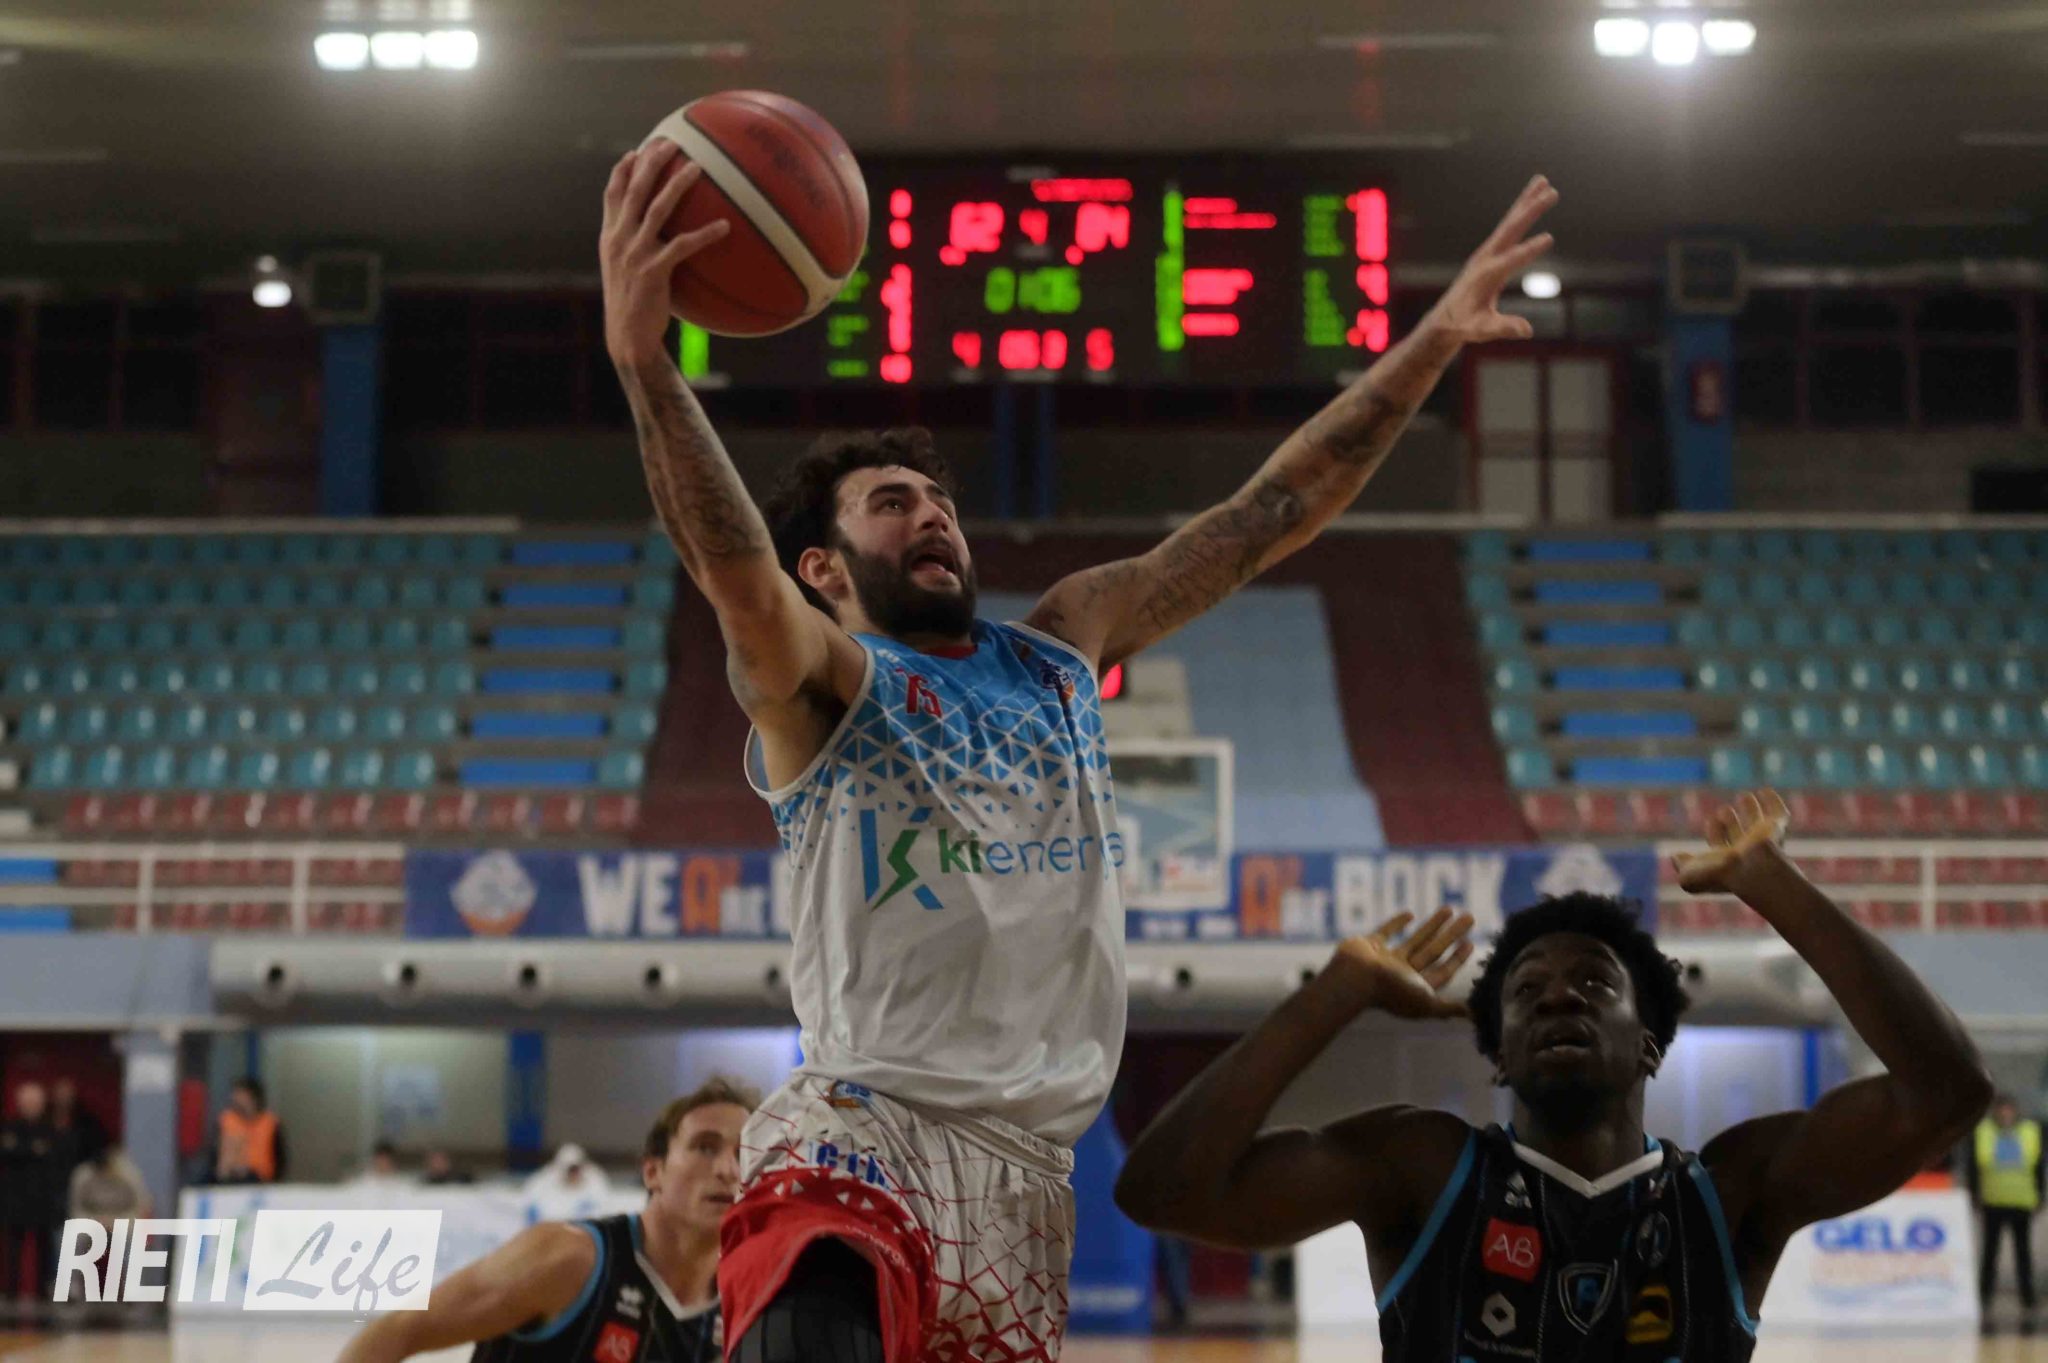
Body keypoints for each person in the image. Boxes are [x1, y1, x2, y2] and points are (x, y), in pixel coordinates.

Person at [601, 133, 1559, 1363]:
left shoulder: (1057, 647)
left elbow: (1264, 516)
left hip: (1023, 1180)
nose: (930, 515)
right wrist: (646, 365)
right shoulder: (822, 687)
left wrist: (1427, 342)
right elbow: (734, 573)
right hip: (860, 1133)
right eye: (890, 504)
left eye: (937, 500)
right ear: (823, 569)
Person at [1115, 790, 1993, 1362]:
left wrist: (1775, 884)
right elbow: (1163, 1191)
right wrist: (1334, 994)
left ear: (1650, 1044)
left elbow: (1946, 1092)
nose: (1559, 997)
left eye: (1595, 984)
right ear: (1498, 1052)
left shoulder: (1732, 1191)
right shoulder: (1421, 1165)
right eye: (1526, 991)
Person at [336, 1077, 756, 1363]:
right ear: (653, 1171)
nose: (727, 1169)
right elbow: (398, 1331)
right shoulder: (568, 1259)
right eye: (705, 1147)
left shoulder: (744, 1306)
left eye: (744, 1154)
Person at [1970, 1094, 2041, 1324]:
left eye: (2009, 1110)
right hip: (1993, 1201)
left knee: (2023, 1253)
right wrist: (1975, 1194)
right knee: (1990, 1252)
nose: (2006, 1114)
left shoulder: (2030, 1131)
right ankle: (1984, 1296)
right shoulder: (1984, 1131)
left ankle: (2028, 1298)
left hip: (2021, 1201)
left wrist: (2040, 1195)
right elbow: (1974, 1166)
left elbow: (2038, 1166)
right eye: (2002, 1110)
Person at [0, 1081, 71, 1304]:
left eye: (35, 1102)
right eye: (27, 1102)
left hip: (43, 1198)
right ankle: (10, 1291)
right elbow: (8, 1151)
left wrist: (22, 1151)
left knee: (44, 1246)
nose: (31, 1106)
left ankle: (43, 1291)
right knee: (13, 1246)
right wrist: (32, 1150)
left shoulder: (51, 1130)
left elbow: (56, 1158)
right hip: (14, 1198)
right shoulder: (9, 1127)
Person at [212, 1077, 286, 1185]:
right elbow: (215, 1152)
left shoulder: (270, 1123)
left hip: (260, 1178)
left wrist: (273, 1181)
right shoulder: (226, 1120)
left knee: (248, 1178)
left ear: (252, 1097)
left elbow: (280, 1158)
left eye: (240, 1094)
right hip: (229, 1176)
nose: (235, 1098)